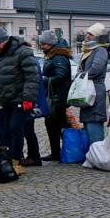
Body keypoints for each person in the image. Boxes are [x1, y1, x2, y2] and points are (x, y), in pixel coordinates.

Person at [0, 27, 39, 163]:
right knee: (7, 128)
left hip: (21, 98)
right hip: (6, 99)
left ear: (6, 40)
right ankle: (9, 156)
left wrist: (28, 98)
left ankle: (17, 156)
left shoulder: (23, 52)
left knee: (15, 126)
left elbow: (31, 76)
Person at [39, 30, 73, 162]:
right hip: (56, 95)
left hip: (58, 96)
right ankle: (58, 151)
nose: (42, 46)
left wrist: (44, 79)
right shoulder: (54, 55)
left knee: (55, 124)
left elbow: (61, 76)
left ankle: (60, 152)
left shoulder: (58, 57)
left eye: (44, 44)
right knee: (54, 124)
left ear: (51, 44)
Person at [78, 23, 110, 145]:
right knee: (88, 123)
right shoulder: (89, 50)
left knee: (94, 122)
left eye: (91, 34)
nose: (88, 36)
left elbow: (96, 69)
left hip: (95, 91)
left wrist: (80, 77)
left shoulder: (100, 50)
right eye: (88, 33)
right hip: (88, 90)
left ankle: (99, 156)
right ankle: (94, 155)